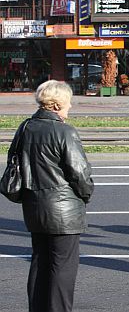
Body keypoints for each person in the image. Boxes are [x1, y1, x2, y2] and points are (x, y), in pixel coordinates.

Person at [7, 80, 94, 312]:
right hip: (64, 212)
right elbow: (79, 173)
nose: (71, 107)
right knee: (63, 268)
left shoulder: (25, 127)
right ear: (56, 105)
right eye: (68, 103)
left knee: (40, 262)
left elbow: (13, 163)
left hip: (33, 207)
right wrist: (86, 195)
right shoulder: (65, 131)